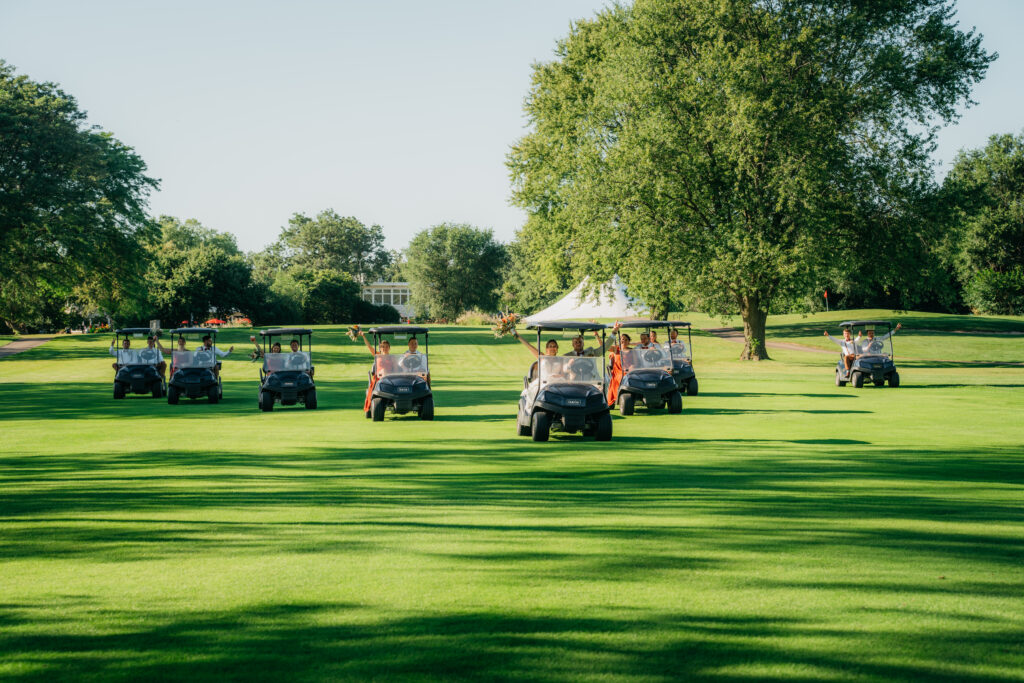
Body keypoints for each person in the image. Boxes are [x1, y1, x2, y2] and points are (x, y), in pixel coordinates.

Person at [360, 331, 395, 414]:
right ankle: (371, 406)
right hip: (379, 378)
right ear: (380, 348)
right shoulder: (377, 355)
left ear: (389, 348)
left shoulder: (392, 357)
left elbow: (395, 368)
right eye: (383, 347)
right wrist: (363, 336)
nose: (385, 348)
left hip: (390, 378)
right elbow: (369, 347)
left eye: (386, 346)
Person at [606, 331, 633, 406]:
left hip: (629, 370)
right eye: (622, 339)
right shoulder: (616, 349)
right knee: (621, 376)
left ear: (628, 341)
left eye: (626, 339)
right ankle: (618, 396)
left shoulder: (632, 351)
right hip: (618, 371)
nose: (624, 341)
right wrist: (597, 336)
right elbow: (605, 346)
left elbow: (635, 363)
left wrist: (631, 368)